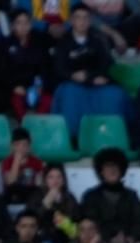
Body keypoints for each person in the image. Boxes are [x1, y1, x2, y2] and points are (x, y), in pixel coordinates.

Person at [52, 7, 128, 143]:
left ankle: (111, 134)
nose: (82, 21)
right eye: (78, 17)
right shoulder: (63, 41)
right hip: (73, 83)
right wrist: (72, 76)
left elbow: (106, 63)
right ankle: (73, 136)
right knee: (70, 94)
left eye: (85, 18)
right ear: (71, 21)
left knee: (115, 94)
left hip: (96, 81)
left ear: (90, 21)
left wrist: (91, 76)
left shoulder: (98, 39)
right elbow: (59, 68)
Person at [3, 10, 52, 119]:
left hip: (36, 85)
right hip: (16, 86)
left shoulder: (40, 41)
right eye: (19, 23)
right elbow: (2, 70)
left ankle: (37, 126)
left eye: (26, 23)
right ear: (12, 25)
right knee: (15, 101)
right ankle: (25, 127)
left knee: (47, 99)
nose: (23, 27)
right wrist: (13, 87)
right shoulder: (5, 44)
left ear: (30, 25)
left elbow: (45, 67)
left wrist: (41, 85)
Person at [0, 128, 46, 207]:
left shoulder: (36, 162)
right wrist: (17, 160)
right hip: (14, 194)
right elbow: (10, 182)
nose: (21, 148)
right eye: (17, 145)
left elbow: (39, 183)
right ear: (12, 146)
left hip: (31, 193)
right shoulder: (7, 162)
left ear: (29, 147)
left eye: (24, 145)